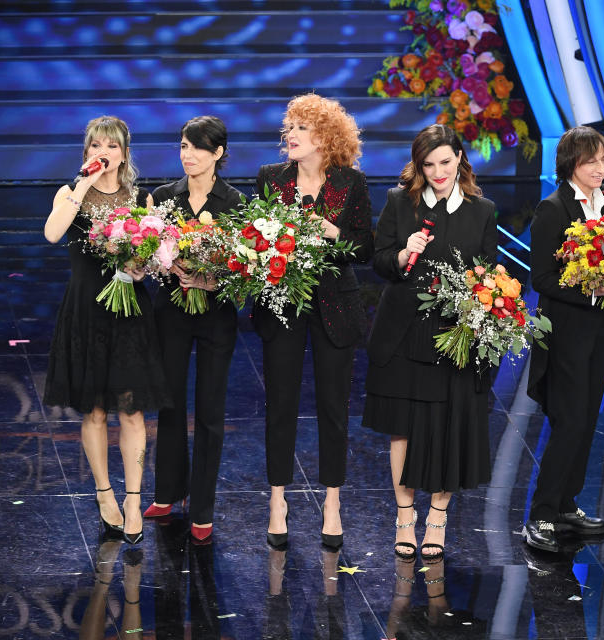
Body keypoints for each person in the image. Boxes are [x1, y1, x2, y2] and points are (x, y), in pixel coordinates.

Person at [364, 124, 497, 560]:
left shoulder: (482, 211)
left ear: (460, 157)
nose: (439, 171)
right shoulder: (399, 202)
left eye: (445, 161)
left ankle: (437, 517)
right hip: (403, 332)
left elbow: (490, 276)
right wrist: (403, 252)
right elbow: (380, 260)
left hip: (452, 337)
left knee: (446, 429)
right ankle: (405, 516)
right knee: (402, 428)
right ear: (419, 166)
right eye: (429, 164)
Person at [254, 93, 374, 549]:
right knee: (280, 405)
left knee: (333, 408)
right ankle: (277, 501)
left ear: (324, 136)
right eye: (289, 127)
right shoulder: (271, 178)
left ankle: (332, 503)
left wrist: (333, 233)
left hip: (335, 306)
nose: (290, 135)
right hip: (283, 302)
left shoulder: (350, 183)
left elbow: (363, 246)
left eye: (300, 128)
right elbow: (255, 235)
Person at [43, 115, 169, 545]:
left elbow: (155, 260)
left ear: (124, 153)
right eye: (96, 145)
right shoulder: (69, 191)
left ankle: (135, 499)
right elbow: (52, 233)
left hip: (129, 313)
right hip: (86, 312)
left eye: (111, 146)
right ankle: (104, 492)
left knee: (132, 411)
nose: (103, 152)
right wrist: (80, 185)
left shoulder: (140, 199)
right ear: (86, 153)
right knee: (95, 410)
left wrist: (138, 268)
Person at [524, 126, 604, 553]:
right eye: (591, 161)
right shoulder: (552, 210)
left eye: (603, 160)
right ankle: (542, 513)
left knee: (587, 420)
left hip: (597, 330)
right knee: (568, 422)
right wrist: (591, 293)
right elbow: (542, 279)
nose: (599, 168)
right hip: (565, 329)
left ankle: (567, 504)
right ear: (571, 164)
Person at [143, 116, 243, 544]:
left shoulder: (237, 203)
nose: (188, 155)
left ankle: (201, 505)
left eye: (198, 147)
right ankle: (167, 491)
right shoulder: (164, 198)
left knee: (210, 410)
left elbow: (244, 269)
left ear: (218, 153)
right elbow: (150, 254)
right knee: (168, 402)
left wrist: (212, 277)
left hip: (217, 316)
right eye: (183, 146)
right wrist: (169, 262)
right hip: (171, 312)